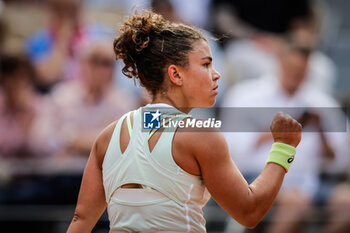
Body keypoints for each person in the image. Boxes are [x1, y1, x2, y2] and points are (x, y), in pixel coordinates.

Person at [66, 11, 302, 233]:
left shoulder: (107, 136)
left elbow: (81, 220)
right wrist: (284, 147)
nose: (216, 74)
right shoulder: (200, 134)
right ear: (176, 74)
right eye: (206, 64)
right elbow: (249, 211)